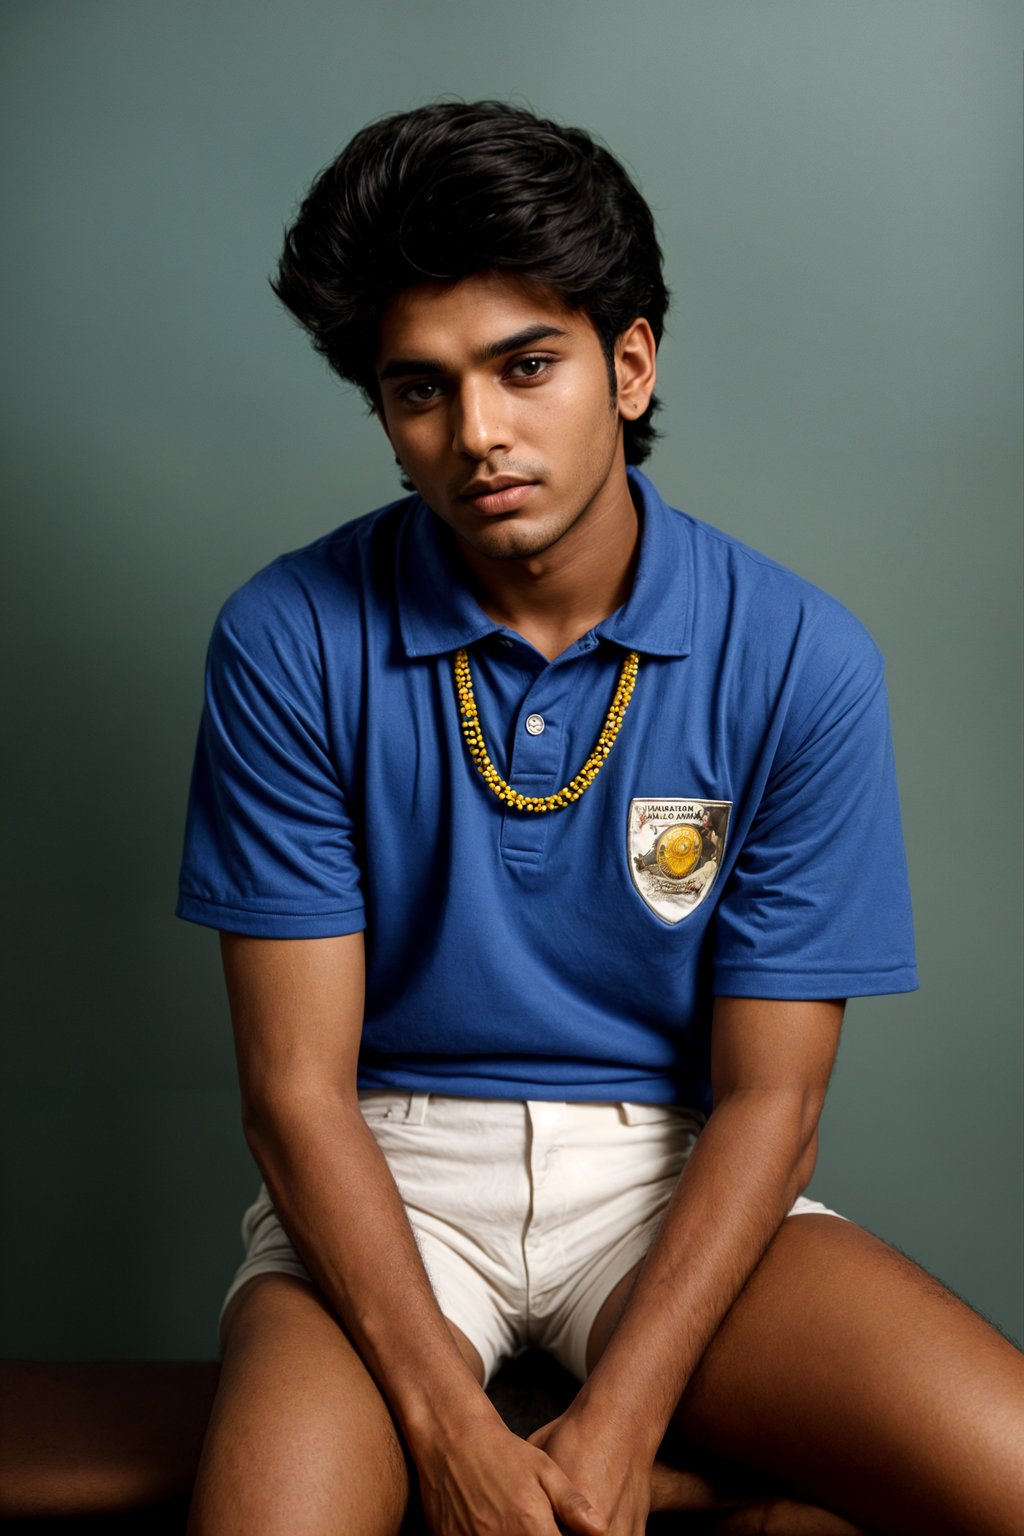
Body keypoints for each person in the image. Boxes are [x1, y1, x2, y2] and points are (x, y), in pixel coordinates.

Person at [176, 101, 1024, 1536]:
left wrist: (621, 1435)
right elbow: (295, 1095)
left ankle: (690, 1480)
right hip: (390, 1178)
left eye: (526, 367)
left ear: (629, 365)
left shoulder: (798, 654)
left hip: (662, 1179)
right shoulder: (288, 636)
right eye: (420, 389)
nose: (480, 434)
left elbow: (776, 1101)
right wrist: (450, 1438)